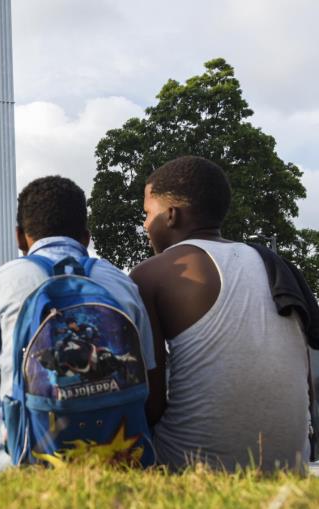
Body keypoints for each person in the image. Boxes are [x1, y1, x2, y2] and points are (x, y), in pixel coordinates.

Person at [0, 175, 155, 474]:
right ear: (86, 238)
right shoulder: (122, 285)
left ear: (20, 236)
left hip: (19, 458)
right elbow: (148, 379)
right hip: (117, 455)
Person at [130, 156, 310, 472]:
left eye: (148, 214)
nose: (145, 225)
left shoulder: (152, 274)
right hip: (291, 465)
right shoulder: (277, 266)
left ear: (171, 216)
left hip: (192, 469)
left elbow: (151, 404)